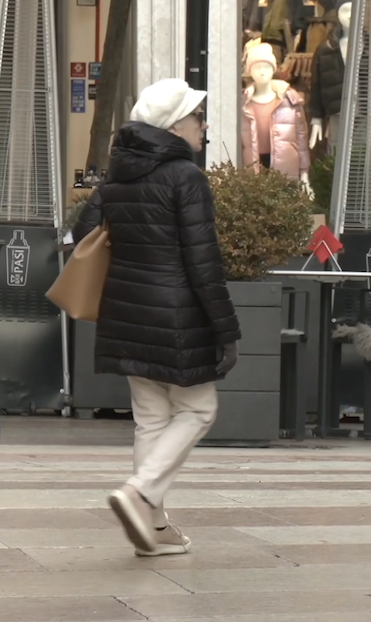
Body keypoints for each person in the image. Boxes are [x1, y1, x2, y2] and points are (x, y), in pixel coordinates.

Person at [74, 78, 241, 557]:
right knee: (198, 409)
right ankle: (141, 492)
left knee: (150, 418)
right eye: (196, 118)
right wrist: (226, 330)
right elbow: (202, 262)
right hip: (176, 315)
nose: (203, 126)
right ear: (174, 126)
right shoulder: (185, 178)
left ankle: (155, 527)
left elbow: (82, 234)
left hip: (124, 312)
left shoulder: (119, 174)